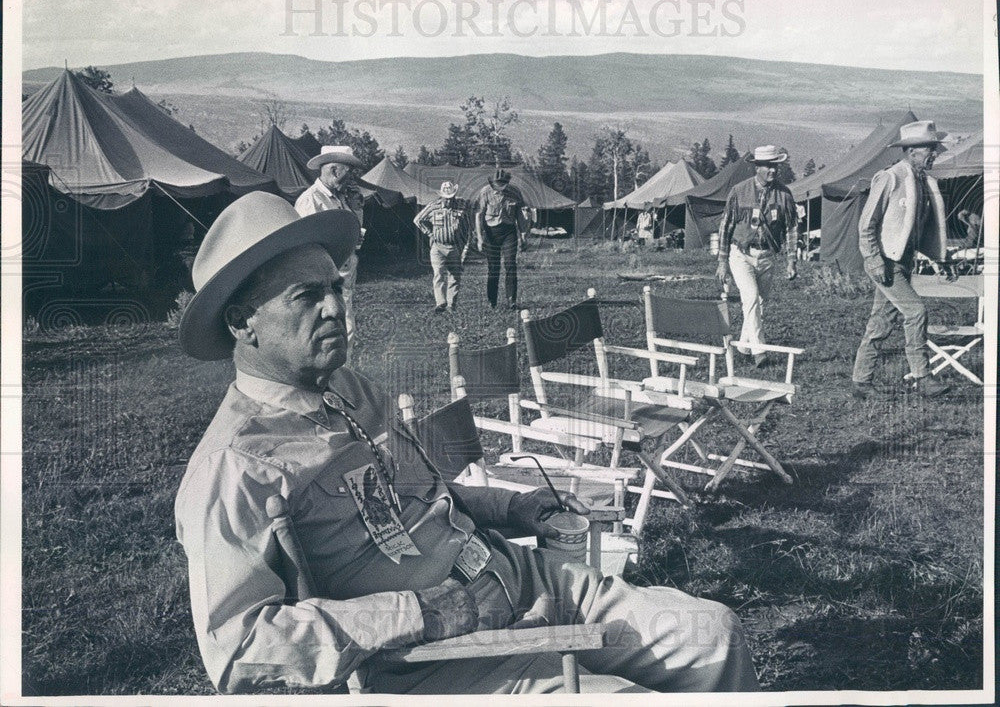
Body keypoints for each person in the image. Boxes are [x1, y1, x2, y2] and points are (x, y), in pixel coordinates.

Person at [174, 191, 760, 695]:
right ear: (241, 322)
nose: (336, 308)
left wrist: (514, 507)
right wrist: (424, 613)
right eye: (306, 296)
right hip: (451, 662)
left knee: (715, 635)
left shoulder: (351, 391)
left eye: (336, 287)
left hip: (528, 580)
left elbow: (423, 495)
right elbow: (240, 647)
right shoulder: (238, 465)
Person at [851, 121, 954, 399]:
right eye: (929, 149)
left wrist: (939, 260)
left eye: (934, 149)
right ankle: (922, 377)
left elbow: (918, 231)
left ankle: (861, 382)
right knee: (916, 311)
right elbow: (867, 224)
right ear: (910, 151)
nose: (934, 154)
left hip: (902, 263)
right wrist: (874, 260)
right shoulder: (890, 178)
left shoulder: (923, 182)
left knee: (880, 323)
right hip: (884, 262)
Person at [715, 145, 798, 368]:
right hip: (741, 254)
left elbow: (791, 228)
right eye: (769, 166)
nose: (773, 171)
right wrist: (722, 261)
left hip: (767, 255)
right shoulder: (739, 191)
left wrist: (792, 260)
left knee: (758, 302)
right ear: (757, 167)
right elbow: (726, 226)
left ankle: (743, 346)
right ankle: (760, 352)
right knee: (750, 298)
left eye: (776, 166)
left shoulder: (784, 194)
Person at [295, 145, 366, 360]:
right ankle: (333, 375)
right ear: (335, 170)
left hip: (342, 275)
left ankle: (341, 378)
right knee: (334, 327)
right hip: (323, 276)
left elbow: (352, 230)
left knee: (346, 326)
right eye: (348, 172)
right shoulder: (311, 200)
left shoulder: (339, 199)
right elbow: (304, 243)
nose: (351, 179)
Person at [413, 181, 474, 313]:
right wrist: (429, 233)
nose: (448, 201)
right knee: (438, 274)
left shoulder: (462, 206)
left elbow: (468, 227)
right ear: (441, 196)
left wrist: (465, 248)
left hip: (454, 247)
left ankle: (451, 305)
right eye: (446, 198)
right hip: (437, 247)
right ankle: (440, 303)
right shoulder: (433, 206)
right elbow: (418, 220)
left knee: (454, 276)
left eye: (451, 197)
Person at [474, 169, 530, 310]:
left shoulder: (515, 192)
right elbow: (479, 215)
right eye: (496, 185)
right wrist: (480, 238)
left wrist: (523, 235)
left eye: (502, 185)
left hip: (508, 232)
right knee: (494, 268)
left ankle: (512, 300)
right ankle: (492, 301)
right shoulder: (485, 192)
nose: (499, 188)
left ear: (507, 183)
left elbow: (520, 213)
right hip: (490, 232)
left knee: (511, 264)